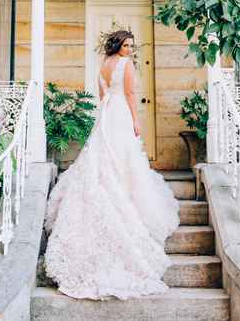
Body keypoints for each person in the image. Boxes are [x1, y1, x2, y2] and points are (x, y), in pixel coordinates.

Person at [44, 29, 180, 300]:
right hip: (119, 114)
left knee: (105, 157)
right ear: (118, 45)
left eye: (131, 45)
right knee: (122, 159)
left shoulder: (103, 66)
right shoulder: (125, 64)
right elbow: (130, 95)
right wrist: (136, 120)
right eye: (127, 45)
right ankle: (126, 200)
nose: (130, 49)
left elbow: (100, 95)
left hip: (105, 114)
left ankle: (113, 191)